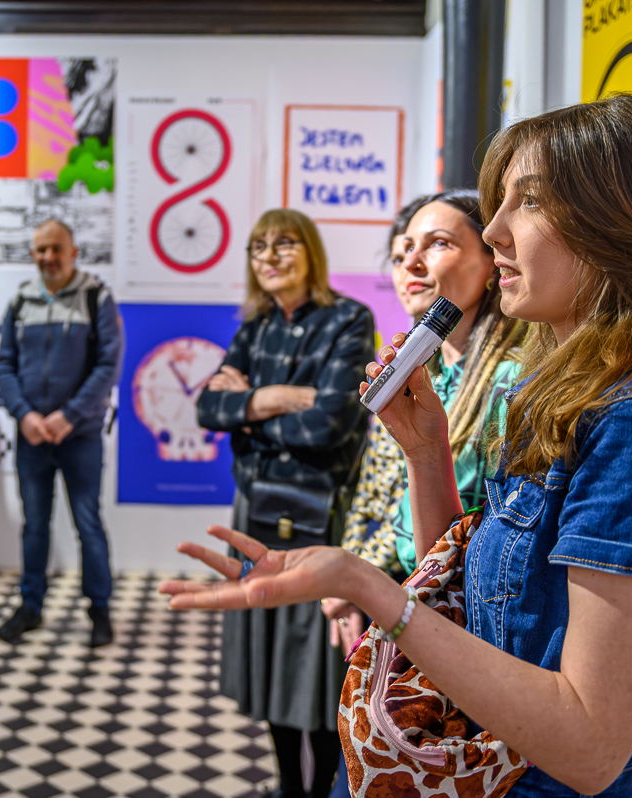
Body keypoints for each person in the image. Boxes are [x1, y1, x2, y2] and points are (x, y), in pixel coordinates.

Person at [162, 95, 632, 797]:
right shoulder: (569, 395)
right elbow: (479, 605)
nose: (495, 230)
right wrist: (427, 455)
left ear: (622, 226)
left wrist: (367, 587)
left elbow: (589, 746)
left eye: (529, 202)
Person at [322, 190, 529, 798]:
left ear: (491, 263)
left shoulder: (512, 381)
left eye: (436, 244)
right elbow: (375, 494)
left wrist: (366, 582)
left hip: (459, 635)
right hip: (406, 608)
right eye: (403, 249)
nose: (411, 262)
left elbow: (482, 549)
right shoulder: (427, 370)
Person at [196, 209, 375, 798]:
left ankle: (320, 789)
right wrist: (273, 396)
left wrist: (246, 410)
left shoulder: (349, 318)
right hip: (256, 513)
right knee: (269, 662)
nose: (269, 257)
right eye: (258, 247)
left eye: (283, 243)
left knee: (316, 673)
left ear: (310, 251)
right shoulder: (255, 326)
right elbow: (207, 409)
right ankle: (287, 787)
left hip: (320, 516)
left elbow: (328, 425)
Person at [0, 220, 123, 648]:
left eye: (56, 249)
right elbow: (5, 364)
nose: (48, 257)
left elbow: (108, 366)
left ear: (73, 252)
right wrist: (25, 415)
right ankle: (30, 606)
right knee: (34, 525)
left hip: (80, 436)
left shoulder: (96, 297)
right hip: (32, 437)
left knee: (88, 523)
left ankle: (99, 610)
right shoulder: (20, 300)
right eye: (41, 250)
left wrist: (69, 416)